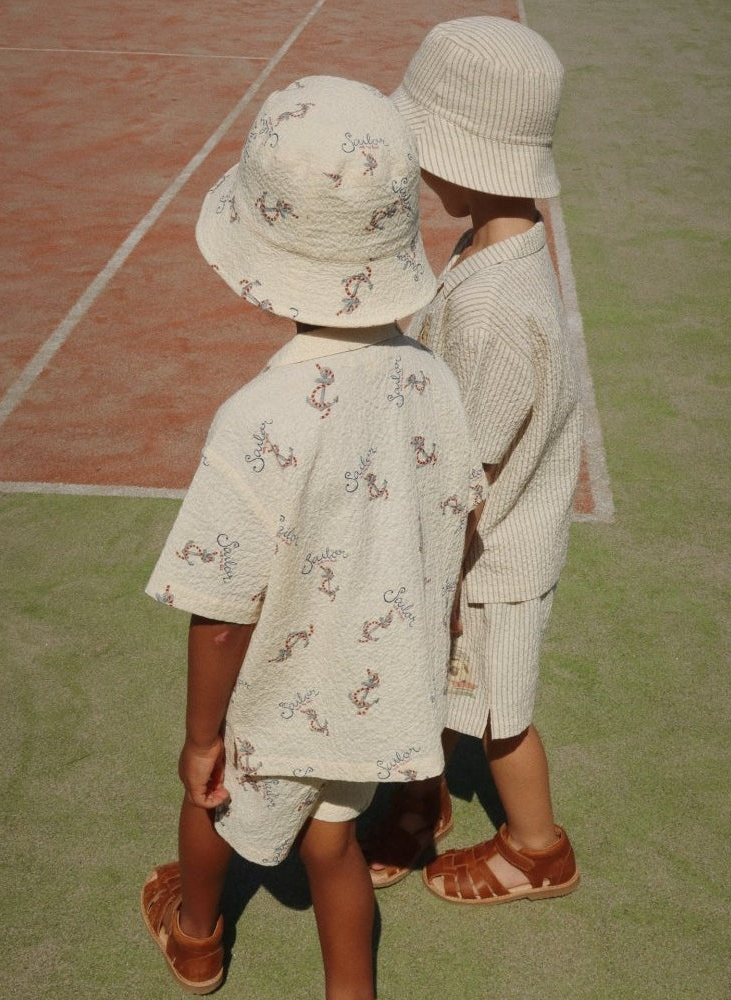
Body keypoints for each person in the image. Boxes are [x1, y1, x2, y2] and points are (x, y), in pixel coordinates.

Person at [139, 74, 485, 998]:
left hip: (279, 697)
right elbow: (457, 526)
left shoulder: (260, 416)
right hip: (378, 692)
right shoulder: (434, 383)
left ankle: (197, 935)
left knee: (208, 802)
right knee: (331, 841)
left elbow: (219, 615)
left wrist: (203, 736)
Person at [364, 17, 583, 904]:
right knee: (443, 676)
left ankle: (538, 847)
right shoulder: (502, 242)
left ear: (470, 157)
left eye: (428, 151)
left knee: (499, 710)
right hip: (484, 533)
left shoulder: (497, 303)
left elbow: (474, 461)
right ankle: (423, 798)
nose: (420, 169)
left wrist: (433, 559)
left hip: (493, 550)